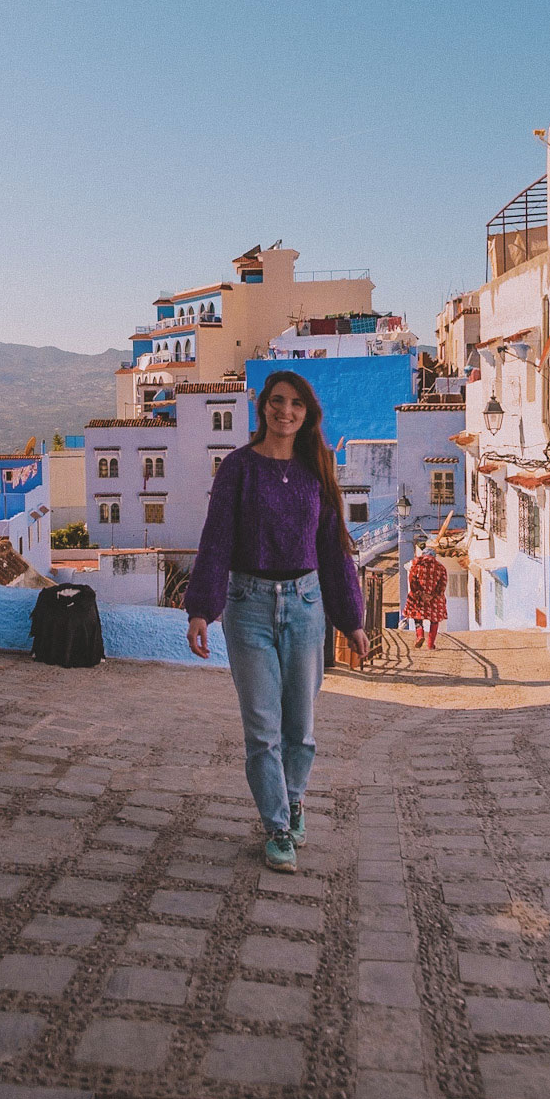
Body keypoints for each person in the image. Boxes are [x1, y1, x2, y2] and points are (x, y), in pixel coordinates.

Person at [186, 371, 368, 873]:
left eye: (295, 404)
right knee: (263, 728)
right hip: (248, 606)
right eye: (276, 401)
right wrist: (201, 609)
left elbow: (334, 547)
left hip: (307, 605)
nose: (284, 411)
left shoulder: (317, 468)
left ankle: (294, 801)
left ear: (307, 414)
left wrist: (351, 618)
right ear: (263, 406)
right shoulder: (238, 469)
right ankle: (277, 826)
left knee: (301, 728)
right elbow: (216, 538)